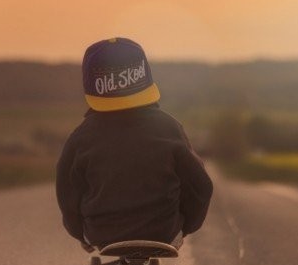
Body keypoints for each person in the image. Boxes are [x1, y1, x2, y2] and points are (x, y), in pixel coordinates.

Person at [55, 37, 213, 252]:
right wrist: (185, 226)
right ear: (144, 76)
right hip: (164, 232)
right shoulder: (169, 127)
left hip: (101, 234)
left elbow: (67, 193)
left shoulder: (81, 136)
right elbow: (200, 187)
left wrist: (80, 232)